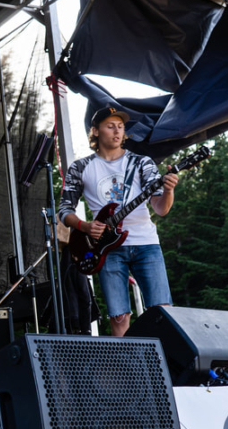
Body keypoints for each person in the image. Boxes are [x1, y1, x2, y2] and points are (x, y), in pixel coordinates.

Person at [57, 107, 179, 337]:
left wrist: (169, 191)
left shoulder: (142, 163)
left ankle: (165, 370)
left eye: (121, 126)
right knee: (119, 317)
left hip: (146, 244)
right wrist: (84, 226)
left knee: (163, 312)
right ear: (95, 131)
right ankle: (126, 370)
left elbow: (161, 209)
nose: (117, 131)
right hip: (105, 248)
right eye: (110, 125)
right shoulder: (81, 167)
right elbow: (64, 210)